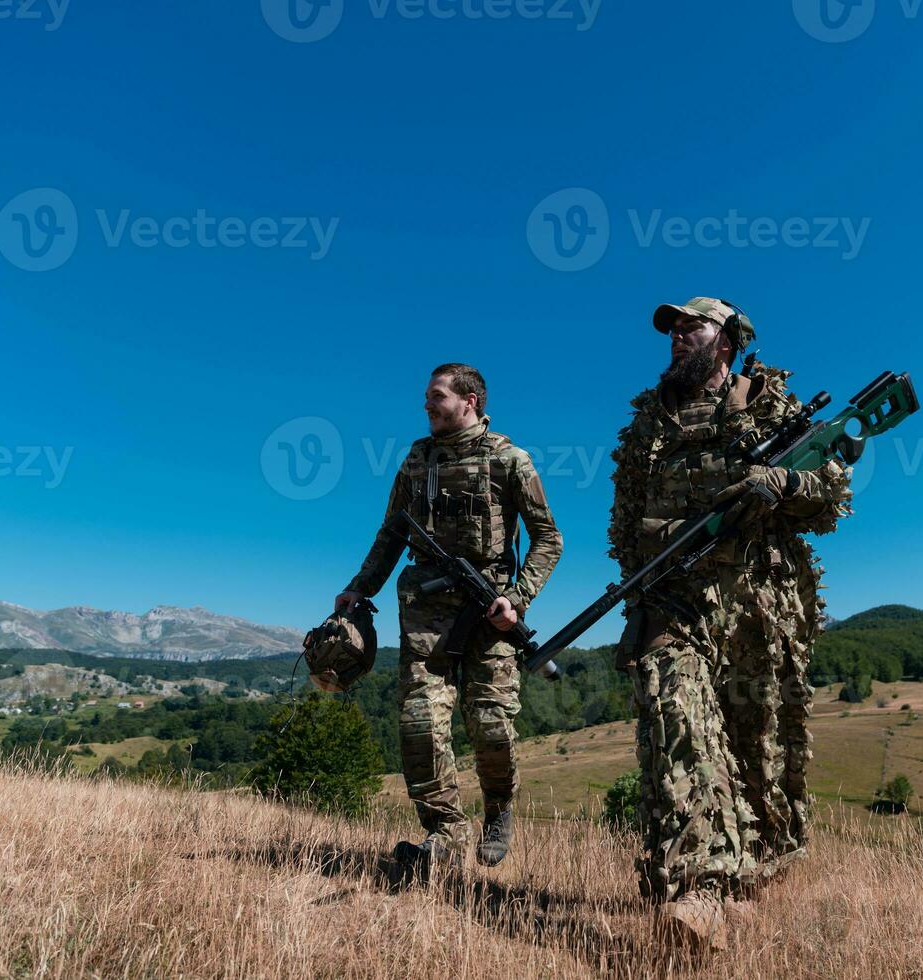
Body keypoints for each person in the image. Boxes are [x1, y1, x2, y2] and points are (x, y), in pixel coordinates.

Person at [607, 298, 851, 944]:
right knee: (677, 726)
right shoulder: (646, 427)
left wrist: (781, 485)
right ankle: (702, 886)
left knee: (759, 750)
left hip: (758, 602)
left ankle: (748, 881)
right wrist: (635, 610)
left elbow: (830, 493)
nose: (678, 336)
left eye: (692, 327)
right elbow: (627, 525)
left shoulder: (764, 405)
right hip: (673, 601)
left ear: (726, 343)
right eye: (673, 329)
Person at [337, 363, 562, 875]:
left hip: (491, 611)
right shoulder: (418, 459)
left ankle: (499, 809)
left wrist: (518, 599)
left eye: (436, 396)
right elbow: (391, 533)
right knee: (418, 721)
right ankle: (444, 831)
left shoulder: (510, 459)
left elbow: (550, 539)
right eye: (426, 397)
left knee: (490, 725)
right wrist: (359, 588)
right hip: (425, 609)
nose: (426, 405)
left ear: (471, 400)